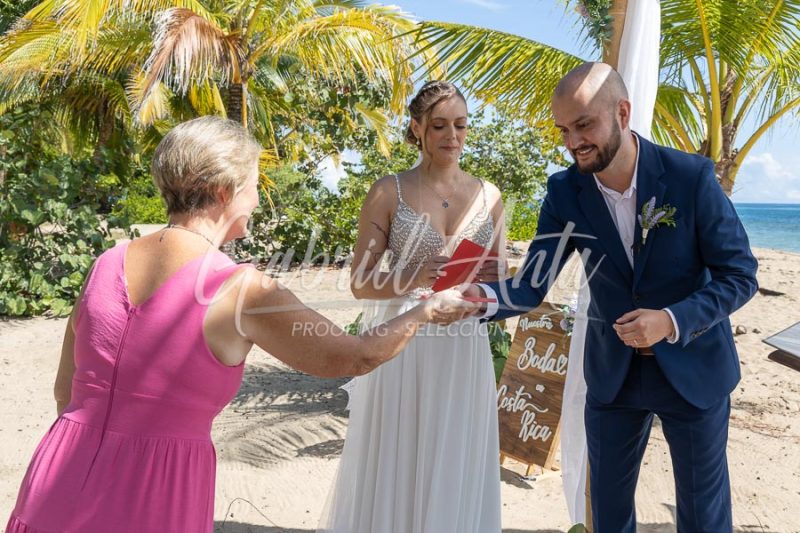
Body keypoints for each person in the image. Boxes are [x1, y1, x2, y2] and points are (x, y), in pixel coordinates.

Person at [5, 116, 476, 533]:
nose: (256, 198)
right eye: (253, 185)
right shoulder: (240, 288)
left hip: (58, 475)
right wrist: (426, 310)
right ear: (225, 192)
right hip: (155, 491)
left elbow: (65, 391)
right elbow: (351, 356)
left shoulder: (107, 262)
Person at [467, 62, 758, 532]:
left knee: (704, 517)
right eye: (563, 129)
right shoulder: (565, 191)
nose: (572, 142)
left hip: (694, 366)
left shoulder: (690, 177)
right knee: (607, 513)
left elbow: (739, 273)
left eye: (585, 125)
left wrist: (671, 320)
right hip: (612, 377)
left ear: (622, 113)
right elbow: (531, 284)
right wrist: (473, 298)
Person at [317, 81, 505, 533]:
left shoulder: (490, 195)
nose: (452, 136)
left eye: (460, 125)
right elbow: (360, 283)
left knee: (455, 451)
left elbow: (496, 277)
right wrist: (413, 278)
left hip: (463, 346)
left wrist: (481, 290)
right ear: (417, 129)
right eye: (439, 125)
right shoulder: (388, 191)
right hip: (402, 343)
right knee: (399, 451)